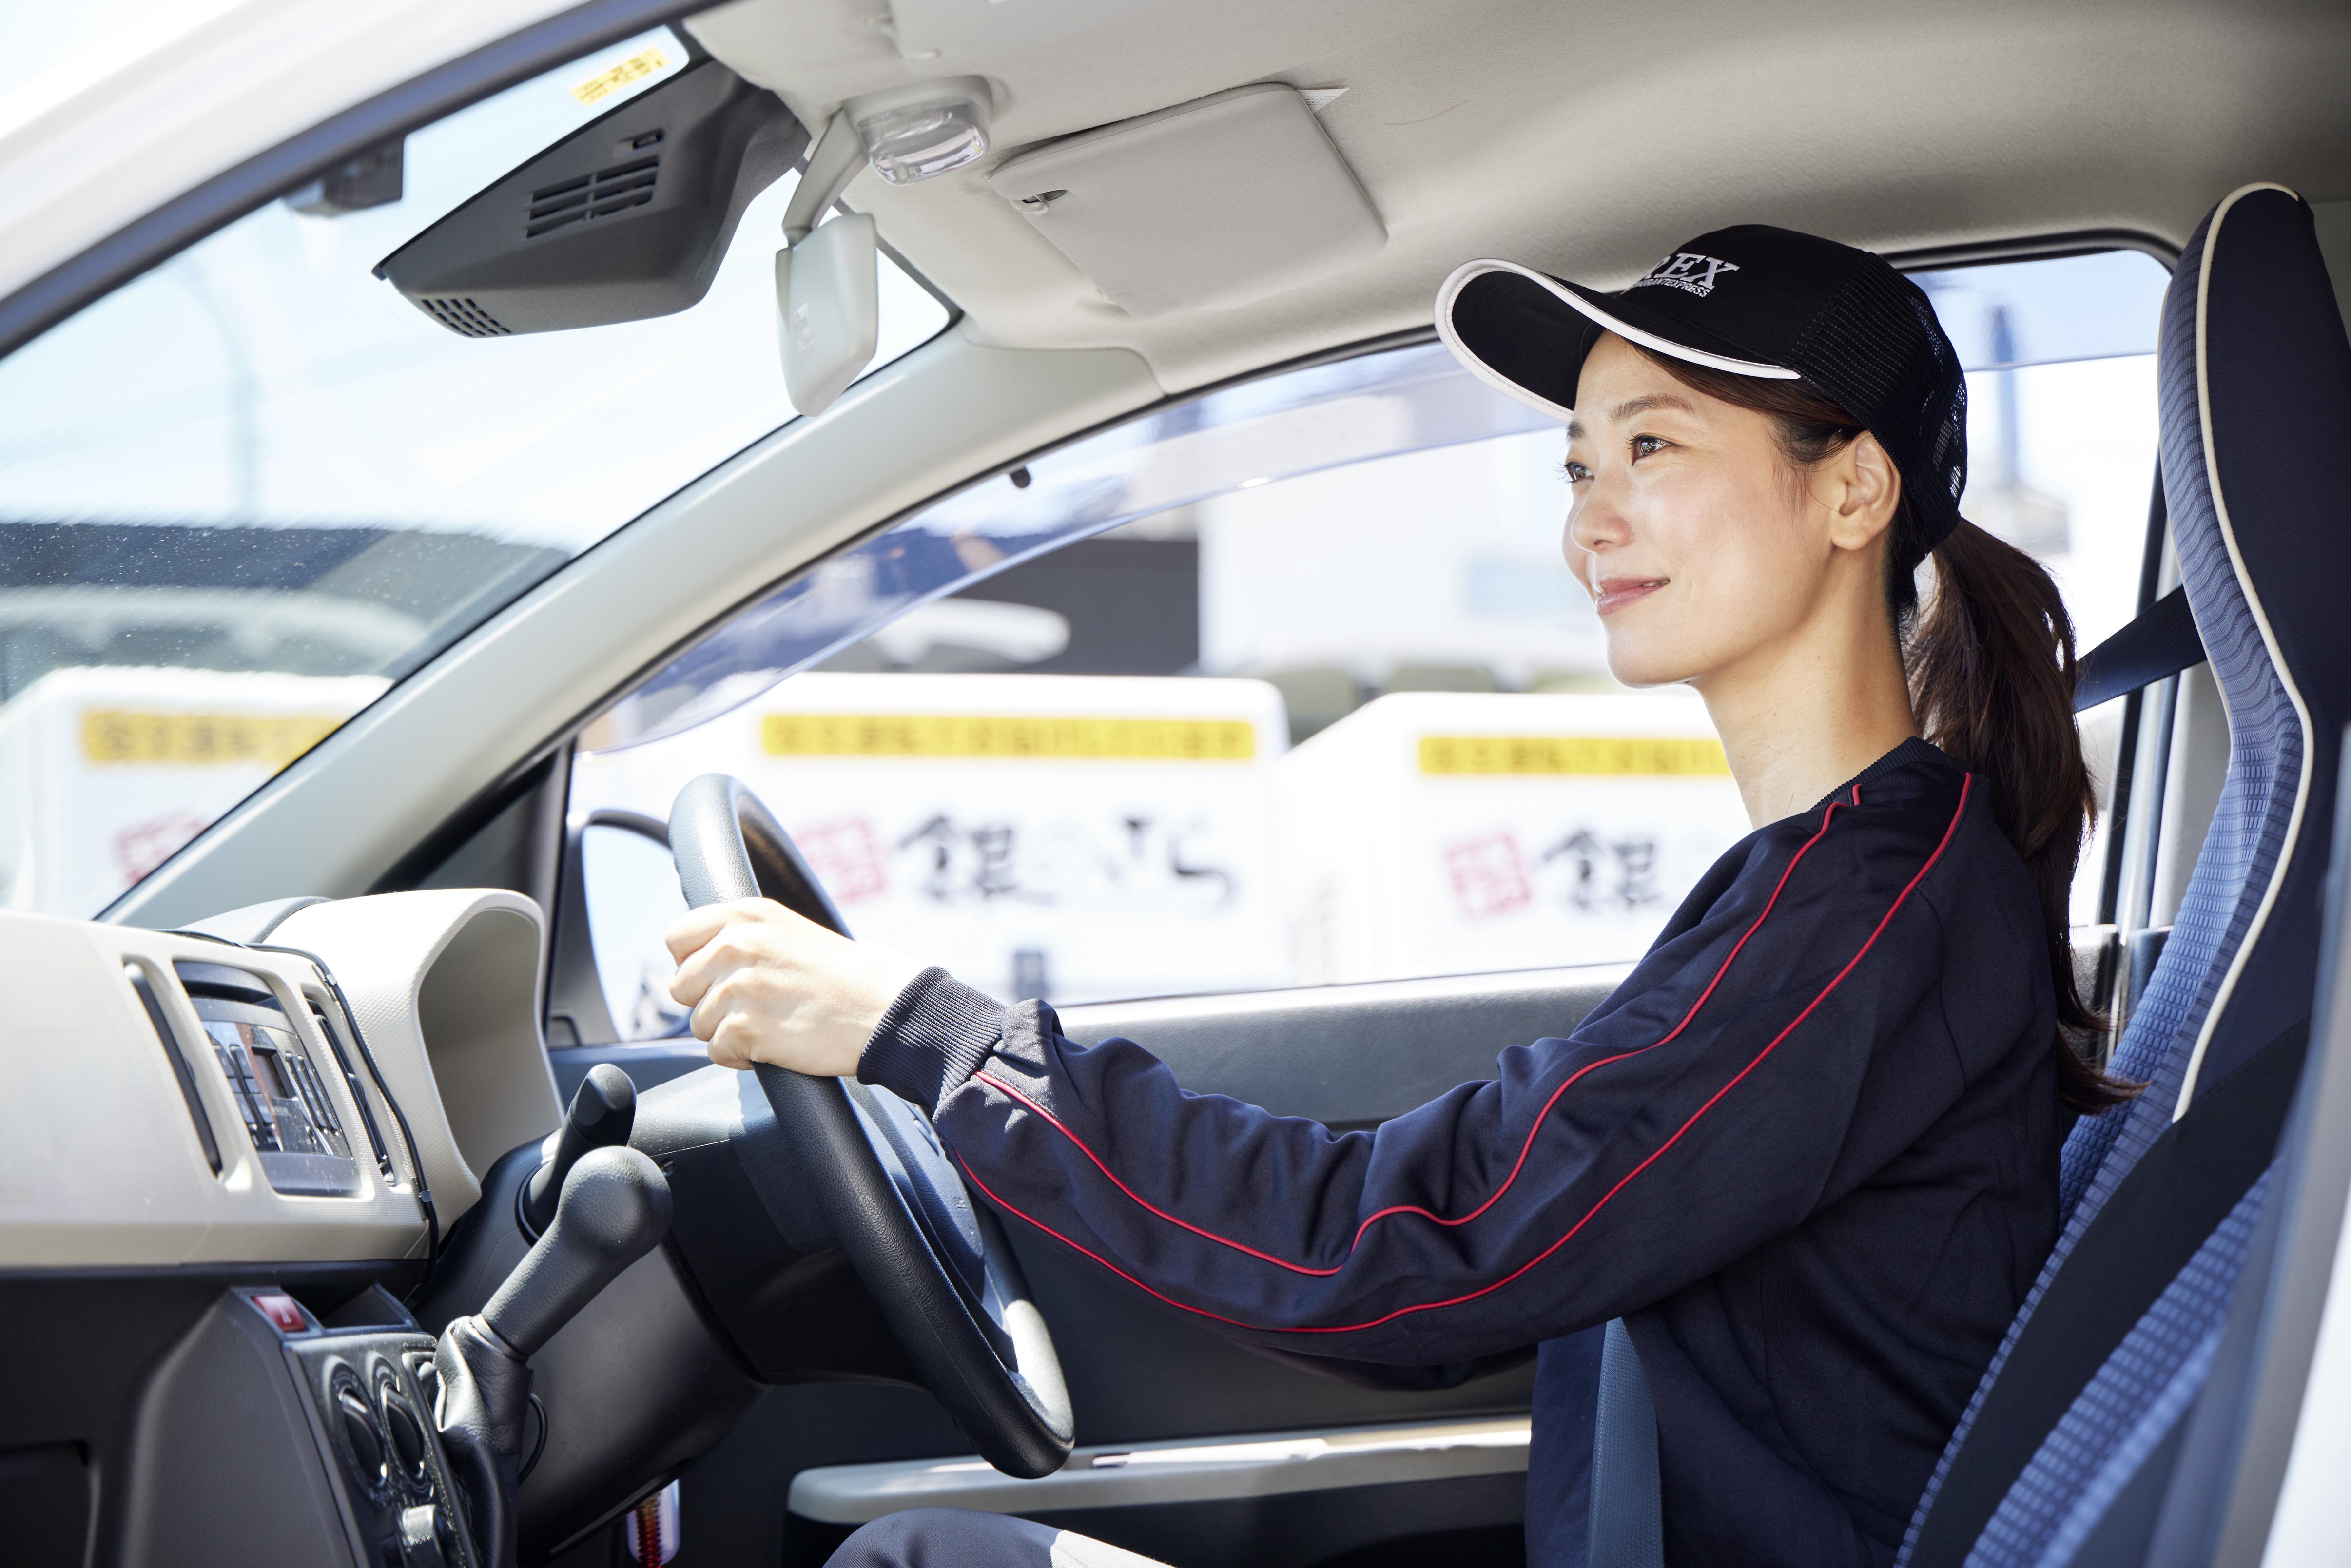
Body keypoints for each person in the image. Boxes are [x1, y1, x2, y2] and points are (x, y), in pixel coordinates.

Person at [664, 225, 2136, 1568]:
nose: (1592, 523)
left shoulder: (1862, 912)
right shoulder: (1838, 882)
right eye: (1578, 466)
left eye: (1654, 448)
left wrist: (930, 1038)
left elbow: (1416, 1250)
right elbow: (1506, 1190)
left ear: (1855, 488)